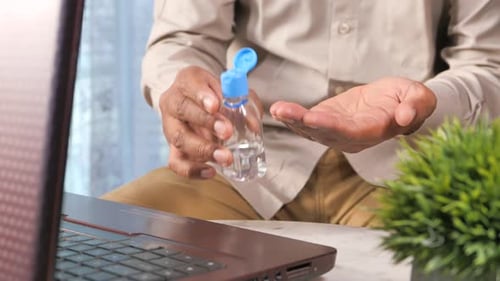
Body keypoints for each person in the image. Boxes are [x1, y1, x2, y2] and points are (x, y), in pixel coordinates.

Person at [102, 1, 500, 227]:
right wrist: (186, 92)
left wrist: (425, 103)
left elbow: (489, 64)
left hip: (406, 165)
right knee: (80, 247)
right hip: (244, 165)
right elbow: (186, 37)